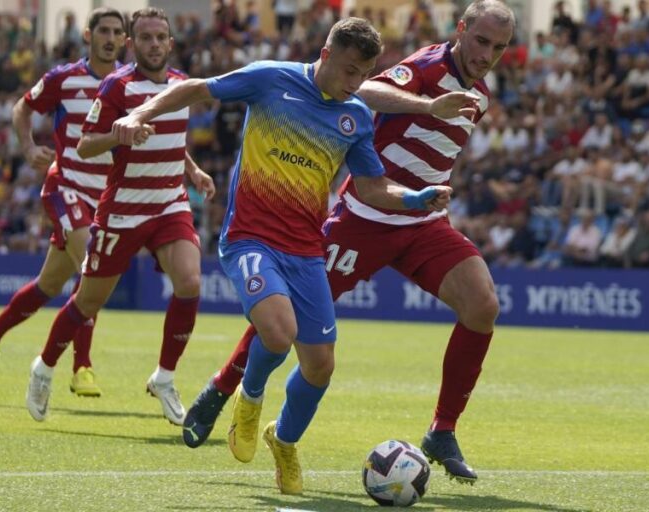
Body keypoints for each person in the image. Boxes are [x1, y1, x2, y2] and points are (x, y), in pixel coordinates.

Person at [181, 0, 514, 488]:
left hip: (421, 221)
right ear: (461, 30)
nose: (487, 54)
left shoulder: (480, 93)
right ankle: (222, 389)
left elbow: (432, 150)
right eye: (481, 41)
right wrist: (426, 104)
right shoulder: (425, 66)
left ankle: (442, 431)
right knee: (282, 318)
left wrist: (426, 194)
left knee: (483, 305)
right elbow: (369, 90)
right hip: (361, 218)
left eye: (499, 47)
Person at [113, 17, 451, 495]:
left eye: (365, 74)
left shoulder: (355, 115)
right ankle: (248, 401)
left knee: (320, 366)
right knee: (277, 330)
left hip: (307, 250)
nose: (356, 83)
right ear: (327, 52)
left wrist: (416, 197)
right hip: (250, 239)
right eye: (350, 70)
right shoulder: (271, 78)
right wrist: (138, 115)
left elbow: (374, 187)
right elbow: (194, 87)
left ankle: (284, 440)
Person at [24, 7, 216, 424]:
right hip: (123, 209)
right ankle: (43, 367)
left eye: (159, 38)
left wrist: (193, 170)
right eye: (144, 38)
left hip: (168, 202)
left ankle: (164, 377)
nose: (153, 45)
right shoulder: (116, 86)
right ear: (133, 44)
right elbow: (85, 146)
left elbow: (170, 138)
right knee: (89, 301)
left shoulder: (182, 85)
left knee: (190, 281)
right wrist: (118, 133)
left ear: (170, 43)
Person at [0, 8, 126, 397]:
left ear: (125, 39)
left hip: (105, 197)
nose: (110, 38)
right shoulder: (63, 78)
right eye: (103, 31)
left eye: (117, 32)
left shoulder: (130, 83)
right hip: (66, 186)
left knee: (49, 285)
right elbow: (22, 107)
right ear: (88, 35)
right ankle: (82, 367)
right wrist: (27, 146)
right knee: (92, 268)